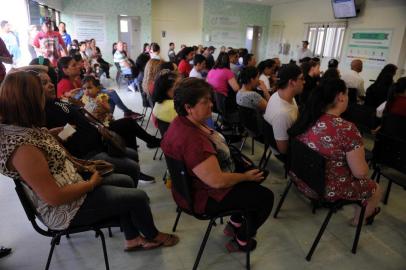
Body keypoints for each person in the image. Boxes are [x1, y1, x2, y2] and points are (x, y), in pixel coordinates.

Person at [0, 71, 179, 251]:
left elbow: (41, 153)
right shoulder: (23, 149)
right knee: (138, 197)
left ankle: (132, 238)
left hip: (71, 185)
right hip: (65, 210)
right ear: (28, 101)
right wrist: (90, 184)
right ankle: (153, 236)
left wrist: (50, 136)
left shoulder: (22, 128)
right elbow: (53, 197)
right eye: (39, 92)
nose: (43, 96)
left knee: (125, 181)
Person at [161, 78, 274, 252]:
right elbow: (217, 181)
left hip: (192, 187)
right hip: (204, 197)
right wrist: (244, 177)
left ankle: (235, 223)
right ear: (188, 107)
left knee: (253, 181)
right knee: (265, 197)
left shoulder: (180, 122)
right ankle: (242, 239)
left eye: (210, 100)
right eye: (205, 102)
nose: (211, 105)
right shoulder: (193, 141)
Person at [288, 78, 382, 225]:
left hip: (301, 179)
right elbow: (360, 173)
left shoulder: (308, 116)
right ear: (340, 96)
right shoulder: (347, 129)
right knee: (375, 189)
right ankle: (358, 221)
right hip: (323, 189)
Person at [57, 56, 142, 119]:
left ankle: (109, 118)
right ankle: (119, 115)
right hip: (83, 111)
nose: (78, 66)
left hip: (89, 103)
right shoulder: (64, 84)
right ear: (65, 70)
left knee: (110, 95)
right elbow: (74, 104)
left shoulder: (76, 79)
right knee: (111, 94)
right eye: (74, 65)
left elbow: (85, 91)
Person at [263, 64, 304, 158]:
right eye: (301, 78)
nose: (304, 81)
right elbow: (283, 150)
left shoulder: (279, 94)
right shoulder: (282, 114)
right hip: (285, 152)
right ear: (292, 82)